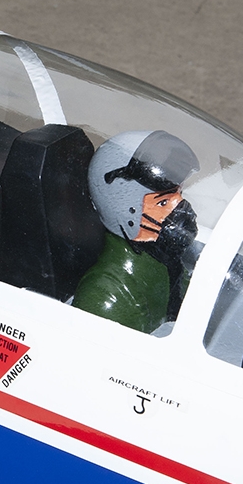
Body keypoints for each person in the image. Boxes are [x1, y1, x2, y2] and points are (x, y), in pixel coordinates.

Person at [72, 130, 200, 333]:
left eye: (179, 194)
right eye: (163, 202)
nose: (180, 206)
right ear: (126, 210)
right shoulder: (109, 296)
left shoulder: (166, 260)